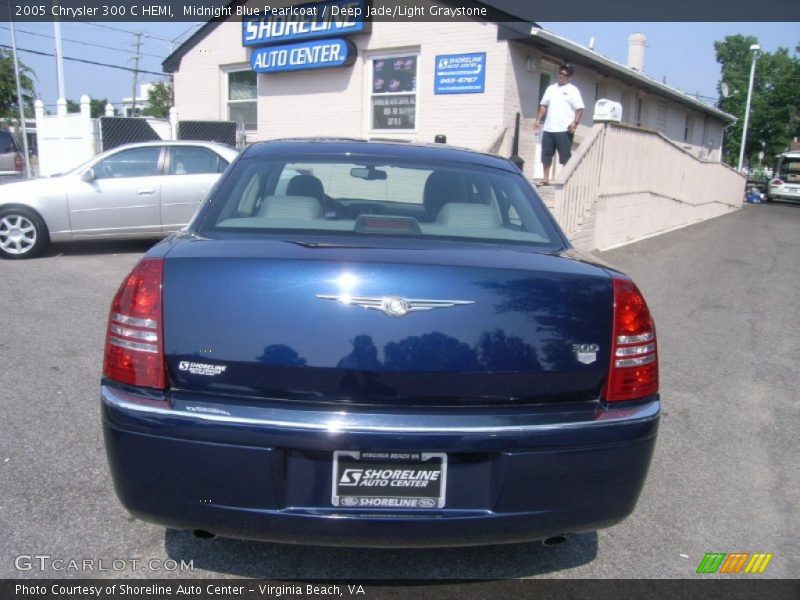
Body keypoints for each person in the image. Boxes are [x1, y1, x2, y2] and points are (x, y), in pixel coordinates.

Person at [533, 63, 584, 185]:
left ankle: (566, 180)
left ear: (569, 77)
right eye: (560, 73)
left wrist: (575, 123)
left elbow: (580, 108)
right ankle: (545, 178)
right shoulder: (551, 89)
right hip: (549, 128)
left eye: (565, 74)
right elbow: (543, 105)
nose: (561, 76)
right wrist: (538, 120)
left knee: (565, 156)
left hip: (564, 129)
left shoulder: (573, 90)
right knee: (546, 155)